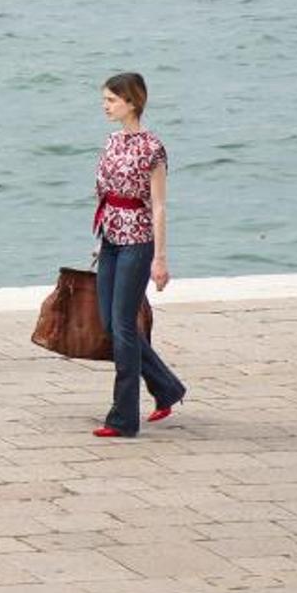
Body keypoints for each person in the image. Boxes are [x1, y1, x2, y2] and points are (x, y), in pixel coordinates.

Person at [92, 71, 184, 437]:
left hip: (138, 240)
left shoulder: (153, 148)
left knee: (125, 327)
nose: (106, 106)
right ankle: (167, 387)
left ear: (133, 102)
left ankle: (123, 417)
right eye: (104, 99)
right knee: (110, 324)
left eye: (112, 100)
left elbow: (158, 206)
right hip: (110, 238)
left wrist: (160, 259)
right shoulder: (112, 141)